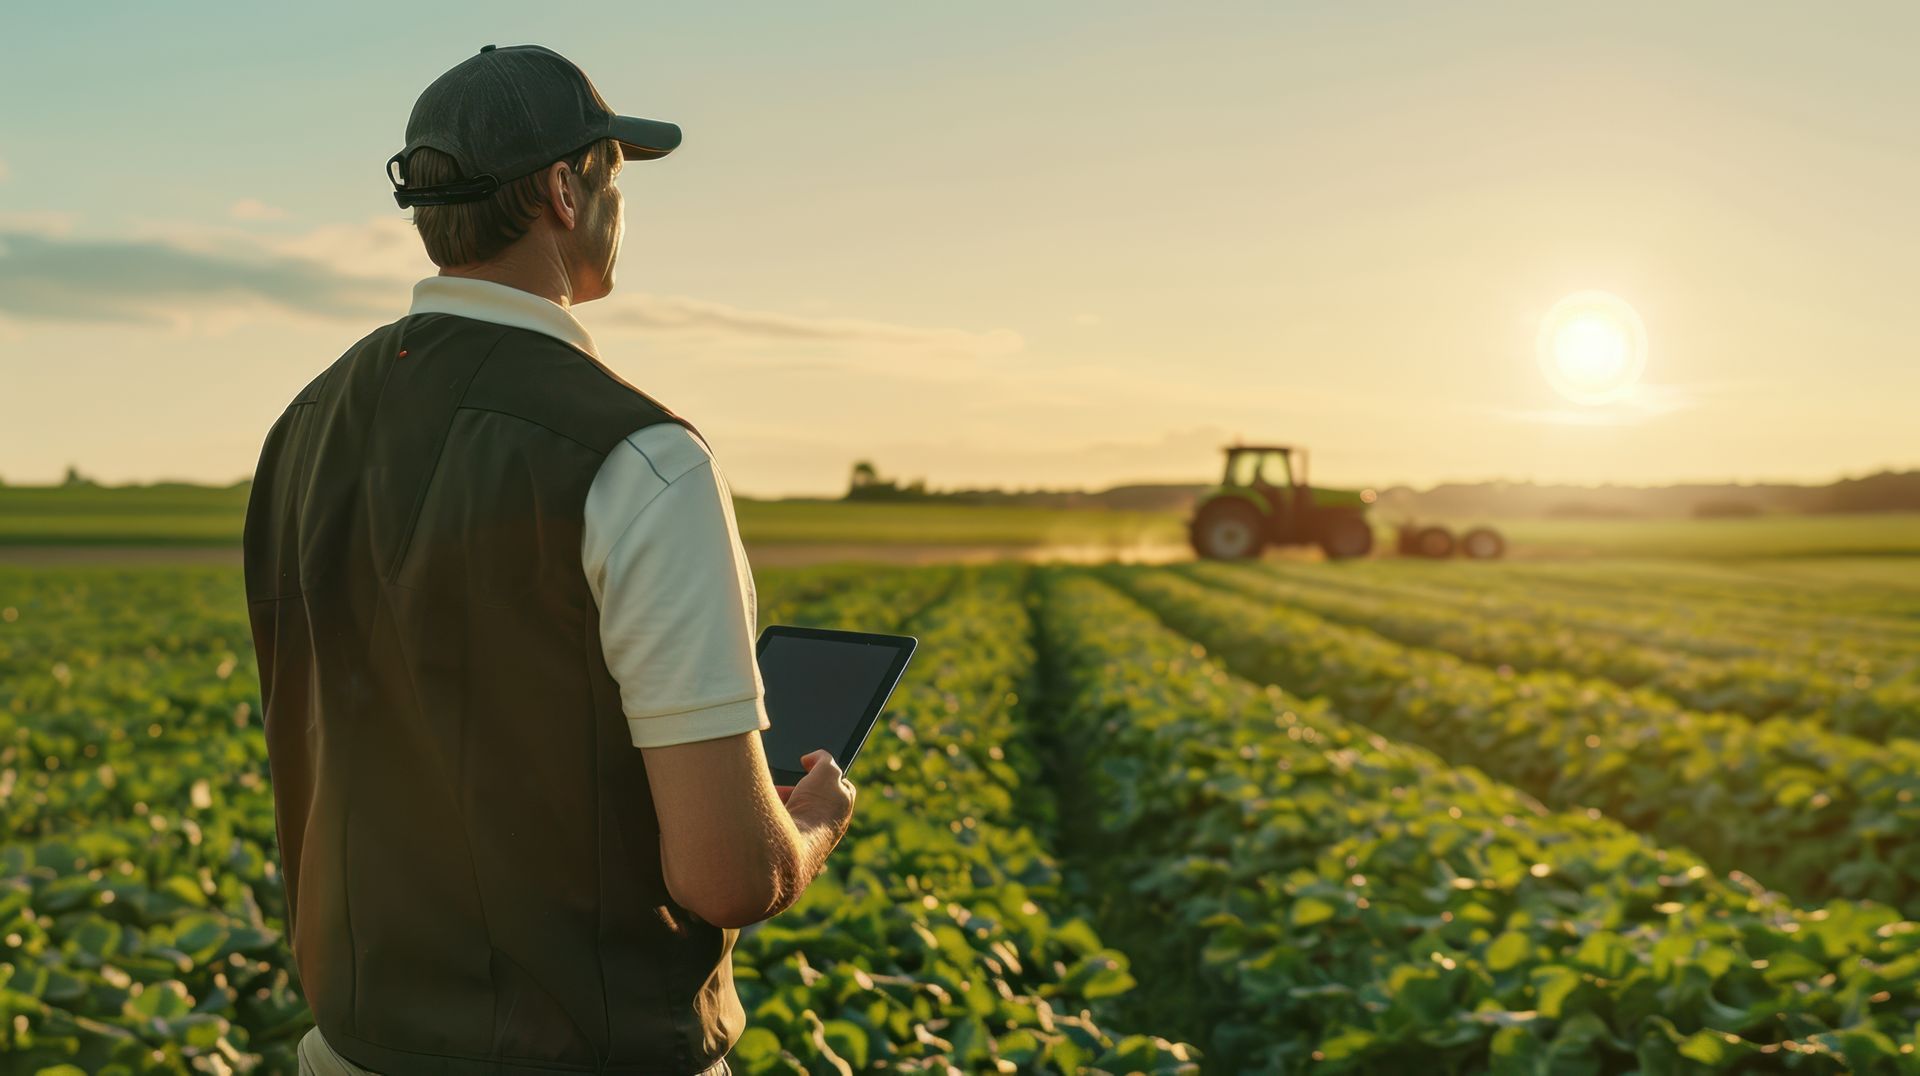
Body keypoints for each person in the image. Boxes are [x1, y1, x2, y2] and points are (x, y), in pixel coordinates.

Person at [243, 43, 858, 1076]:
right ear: (564, 192)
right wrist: (809, 828)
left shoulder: (301, 426)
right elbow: (727, 875)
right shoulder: (642, 456)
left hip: (351, 1044)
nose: (622, 204)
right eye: (615, 173)